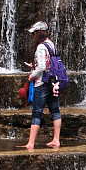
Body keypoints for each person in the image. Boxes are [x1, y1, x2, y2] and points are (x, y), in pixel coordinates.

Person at [19, 21, 62, 151]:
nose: (33, 37)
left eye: (34, 34)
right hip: (53, 83)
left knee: (36, 113)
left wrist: (32, 75)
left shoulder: (41, 47)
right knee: (55, 110)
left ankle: (30, 143)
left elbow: (43, 67)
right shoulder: (51, 45)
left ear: (39, 33)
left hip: (42, 83)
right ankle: (56, 140)